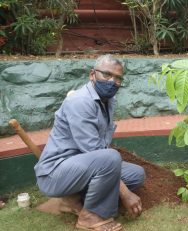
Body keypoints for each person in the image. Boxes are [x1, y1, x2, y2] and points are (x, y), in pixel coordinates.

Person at [34, 54, 145, 231]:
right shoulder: (80, 101)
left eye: (118, 78)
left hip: (82, 167)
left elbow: (99, 151)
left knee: (136, 174)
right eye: (107, 75)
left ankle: (72, 200)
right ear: (92, 74)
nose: (112, 81)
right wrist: (126, 194)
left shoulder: (108, 101)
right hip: (55, 174)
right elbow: (94, 150)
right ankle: (90, 216)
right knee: (110, 158)